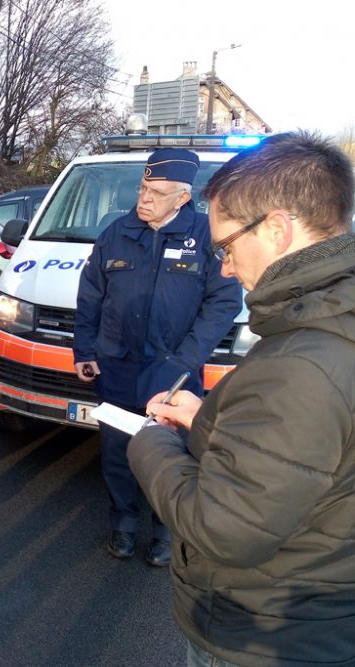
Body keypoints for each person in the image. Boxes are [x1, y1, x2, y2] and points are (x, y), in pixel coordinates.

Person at [129, 132, 355, 666]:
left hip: (263, 634)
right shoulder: (331, 325)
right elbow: (306, 446)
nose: (225, 268)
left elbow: (226, 529)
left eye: (226, 247)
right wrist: (206, 415)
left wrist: (150, 443)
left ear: (276, 229)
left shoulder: (303, 361)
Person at [73, 147, 242, 566]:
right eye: (143, 188)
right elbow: (90, 295)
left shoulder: (204, 237)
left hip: (173, 373)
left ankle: (165, 531)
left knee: (171, 454)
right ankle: (124, 525)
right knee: (117, 452)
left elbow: (223, 304)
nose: (144, 198)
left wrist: (185, 360)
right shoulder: (117, 232)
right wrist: (85, 349)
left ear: (183, 197)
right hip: (116, 367)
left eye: (157, 192)